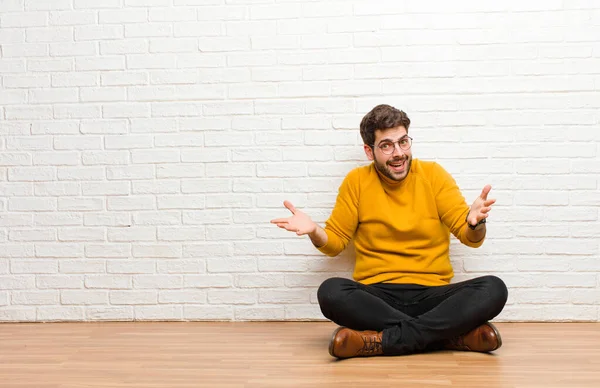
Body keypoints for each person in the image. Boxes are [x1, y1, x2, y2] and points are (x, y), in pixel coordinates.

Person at [271, 104, 508, 359]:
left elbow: (470, 238)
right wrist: (315, 231)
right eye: (386, 145)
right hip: (378, 296)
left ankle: (377, 341)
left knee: (494, 288)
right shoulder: (357, 182)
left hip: (432, 293)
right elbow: (336, 242)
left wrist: (475, 224)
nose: (398, 153)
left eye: (403, 142)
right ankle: (449, 335)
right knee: (330, 292)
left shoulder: (433, 175)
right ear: (369, 151)